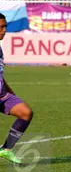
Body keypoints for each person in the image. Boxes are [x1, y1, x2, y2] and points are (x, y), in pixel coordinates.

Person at [0, 13, 34, 164]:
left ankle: (6, 149)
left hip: (2, 95)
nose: (4, 30)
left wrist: (10, 92)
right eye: (1, 27)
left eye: (5, 26)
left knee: (26, 113)